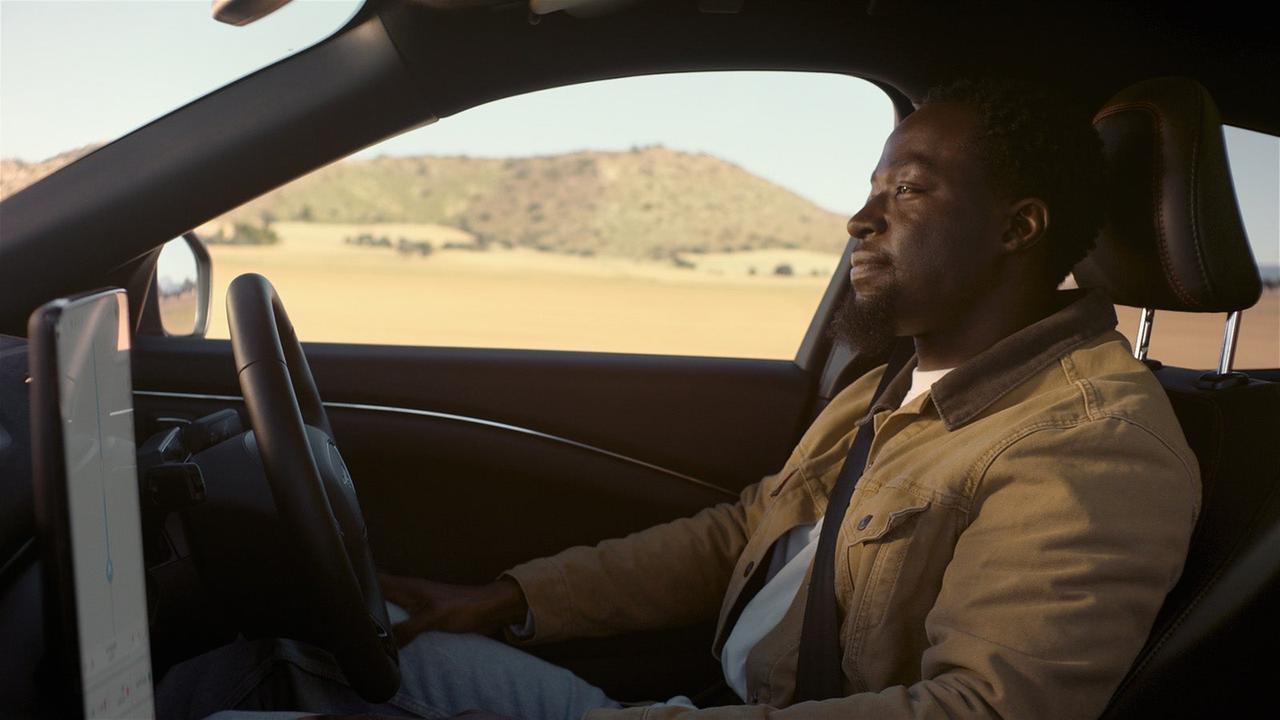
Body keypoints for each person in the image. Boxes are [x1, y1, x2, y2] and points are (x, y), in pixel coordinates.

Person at [161, 77, 1201, 720]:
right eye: (872, 186)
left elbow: (979, 712)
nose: (857, 217)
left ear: (1017, 228)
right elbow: (747, 529)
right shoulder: (905, 380)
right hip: (696, 706)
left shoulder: (1086, 445)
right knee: (284, 663)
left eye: (906, 190)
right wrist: (511, 600)